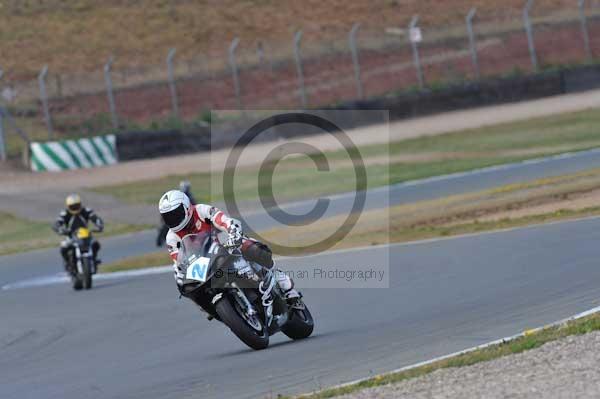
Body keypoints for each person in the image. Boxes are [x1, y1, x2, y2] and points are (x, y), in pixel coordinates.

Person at [158, 189, 302, 308]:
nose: (173, 219)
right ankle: (219, 308)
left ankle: (279, 278)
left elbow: (222, 220)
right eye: (168, 217)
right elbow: (179, 260)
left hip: (224, 244)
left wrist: (232, 231)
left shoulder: (201, 210)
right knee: (191, 288)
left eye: (176, 214)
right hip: (204, 262)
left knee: (252, 248)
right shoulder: (171, 237)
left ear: (187, 207)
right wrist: (181, 273)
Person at [52, 194, 104, 273]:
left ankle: (94, 260)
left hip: (85, 235)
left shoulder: (86, 210)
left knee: (96, 244)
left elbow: (95, 218)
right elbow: (57, 223)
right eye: (73, 206)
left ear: (80, 204)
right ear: (68, 206)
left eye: (77, 205)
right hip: (71, 236)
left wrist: (99, 225)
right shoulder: (65, 213)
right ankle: (68, 264)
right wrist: (60, 229)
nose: (75, 208)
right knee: (63, 249)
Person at [156, 181, 196, 246]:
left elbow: (193, 205)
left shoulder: (189, 197)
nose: (184, 188)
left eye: (185, 187)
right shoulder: (177, 194)